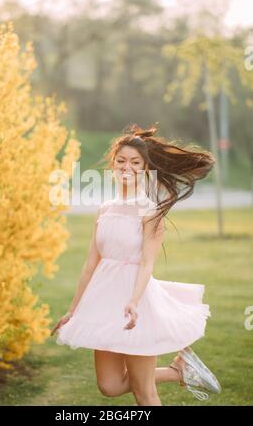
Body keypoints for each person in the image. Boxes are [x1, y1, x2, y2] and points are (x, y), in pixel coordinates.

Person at [50, 123, 222, 406]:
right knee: (109, 385)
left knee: (145, 393)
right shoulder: (105, 209)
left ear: (145, 168)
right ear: (113, 164)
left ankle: (180, 369)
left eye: (135, 162)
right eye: (121, 161)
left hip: (136, 304)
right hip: (102, 304)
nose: (126, 167)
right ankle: (178, 370)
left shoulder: (150, 211)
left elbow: (146, 263)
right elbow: (90, 265)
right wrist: (73, 310)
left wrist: (133, 301)